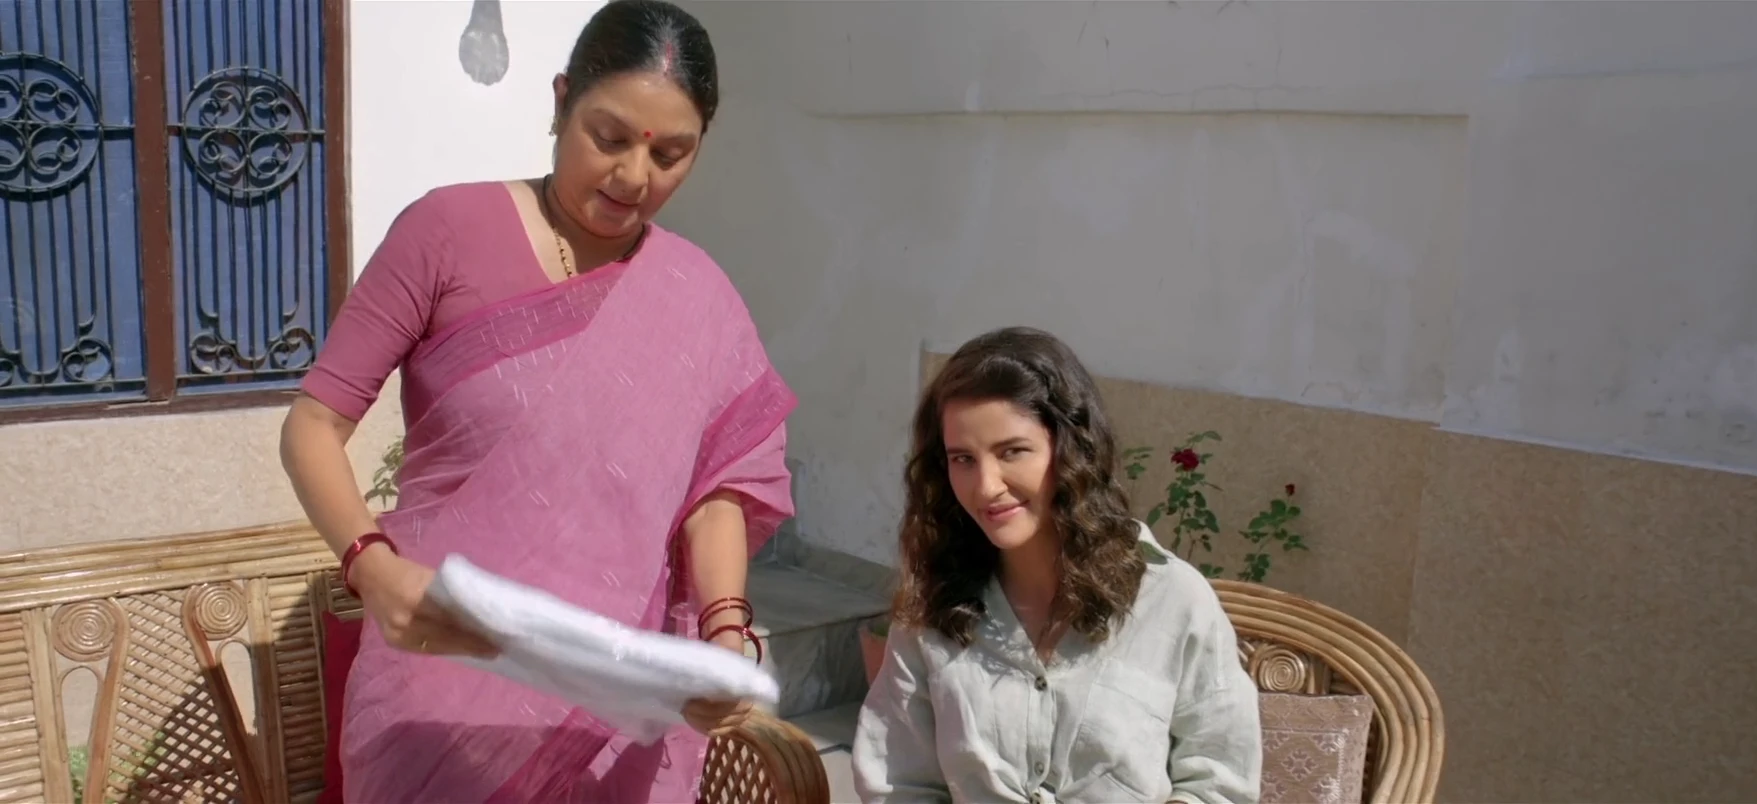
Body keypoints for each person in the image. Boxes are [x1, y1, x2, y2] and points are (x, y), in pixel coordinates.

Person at [277, 2, 794, 800]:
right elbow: (312, 426)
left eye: (670, 154)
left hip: (616, 715)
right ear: (560, 101)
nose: (633, 177)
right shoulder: (444, 232)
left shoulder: (699, 294)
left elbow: (717, 488)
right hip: (441, 683)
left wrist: (725, 631)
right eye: (608, 138)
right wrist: (372, 570)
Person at [852, 327, 1262, 803]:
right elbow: (899, 784)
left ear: (1071, 450)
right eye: (963, 459)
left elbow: (1220, 783)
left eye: (1012, 451)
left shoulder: (1173, 601)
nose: (986, 486)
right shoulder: (933, 608)